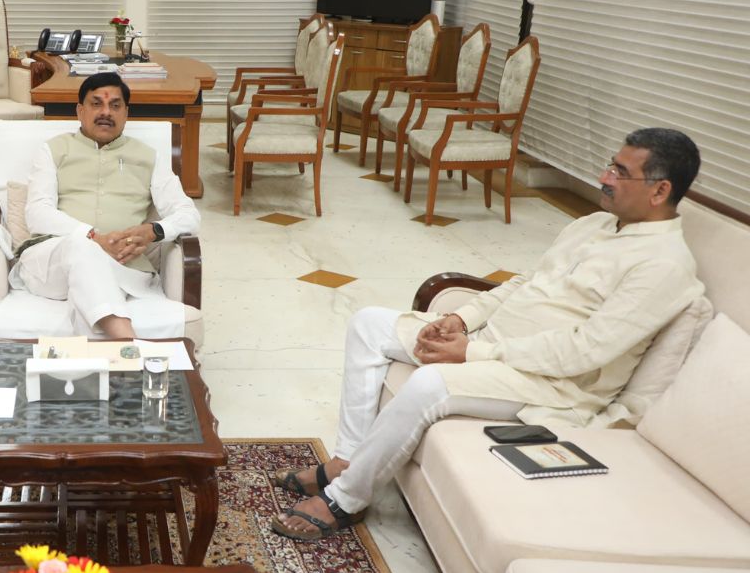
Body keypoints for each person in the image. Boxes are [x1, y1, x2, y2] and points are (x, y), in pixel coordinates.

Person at [271, 128, 705, 540]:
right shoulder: (593, 224)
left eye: (618, 173)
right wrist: (461, 319)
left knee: (429, 383)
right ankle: (347, 461)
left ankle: (346, 500)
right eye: (609, 165)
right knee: (368, 322)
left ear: (660, 190)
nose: (603, 178)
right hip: (490, 345)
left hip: (550, 384)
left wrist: (472, 353)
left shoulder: (664, 264)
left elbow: (584, 352)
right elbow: (525, 282)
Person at [12, 72, 200, 338]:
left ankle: (93, 368)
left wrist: (153, 231)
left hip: (122, 269)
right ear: (80, 110)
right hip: (51, 266)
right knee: (81, 246)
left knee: (87, 269)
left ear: (126, 113)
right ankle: (126, 342)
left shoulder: (147, 157)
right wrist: (93, 238)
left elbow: (189, 214)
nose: (106, 112)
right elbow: (37, 213)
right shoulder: (53, 150)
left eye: (115, 105)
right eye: (96, 103)